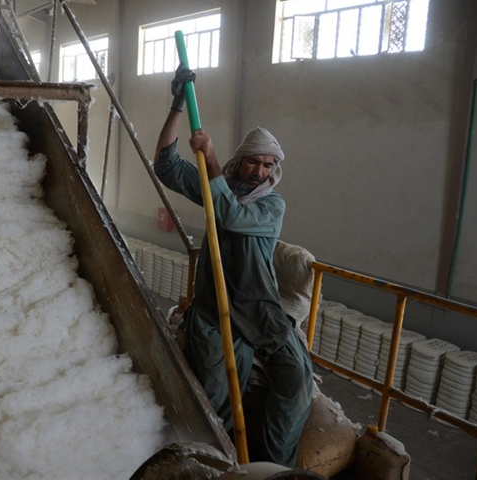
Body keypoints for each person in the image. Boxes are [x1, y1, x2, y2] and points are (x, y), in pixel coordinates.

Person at [153, 65, 314, 467]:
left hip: (261, 308)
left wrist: (208, 154)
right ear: (239, 163)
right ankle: (222, 463)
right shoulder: (215, 187)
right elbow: (167, 165)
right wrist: (176, 106)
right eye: (252, 163)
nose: (259, 171)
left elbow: (231, 216)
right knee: (219, 393)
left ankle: (277, 466)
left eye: (266, 165)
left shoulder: (271, 205)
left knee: (296, 380)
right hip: (214, 309)